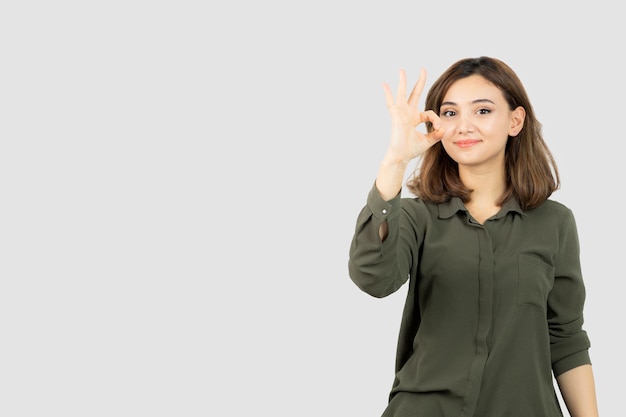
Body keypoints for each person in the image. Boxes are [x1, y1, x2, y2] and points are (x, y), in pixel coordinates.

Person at [347, 56, 599, 417]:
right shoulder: (418, 217)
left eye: (482, 111)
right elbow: (373, 277)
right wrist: (395, 163)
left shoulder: (554, 223)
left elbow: (566, 337)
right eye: (450, 113)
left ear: (515, 121)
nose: (464, 126)